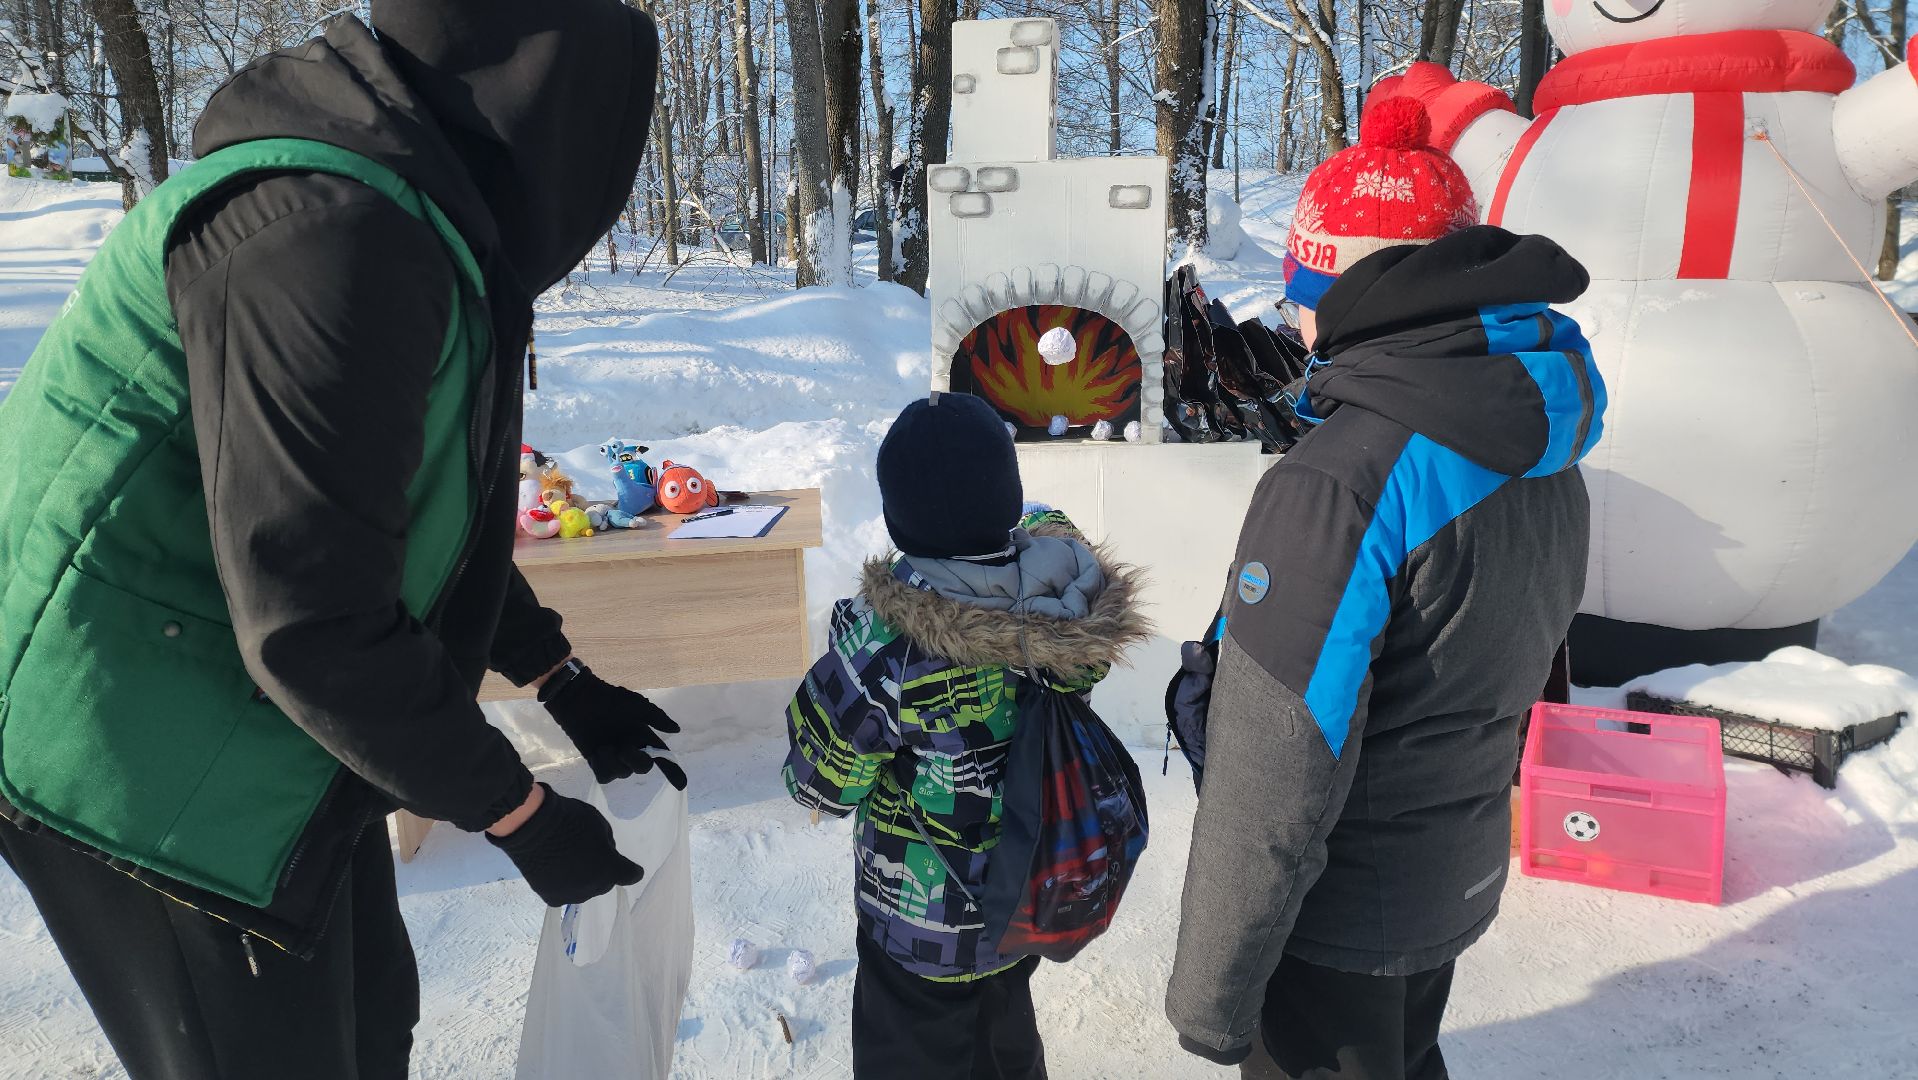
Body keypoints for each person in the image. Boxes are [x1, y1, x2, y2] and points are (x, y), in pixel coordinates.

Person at [0, 3, 682, 1077]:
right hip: (133, 734)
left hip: (264, 695)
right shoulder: (323, 234)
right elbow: (314, 615)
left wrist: (554, 673)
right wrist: (518, 811)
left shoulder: (417, 213)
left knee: (372, 1021)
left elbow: (404, 517)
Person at [1163, 97, 1607, 1080]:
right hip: (1446, 868)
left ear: (1349, 292)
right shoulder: (1537, 427)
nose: (1290, 318)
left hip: (1336, 909)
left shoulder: (1343, 479)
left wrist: (1213, 991)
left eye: (1300, 292)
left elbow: (1273, 763)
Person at [782, 393, 1148, 1080]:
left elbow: (820, 777)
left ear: (898, 518)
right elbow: (1048, 525)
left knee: (913, 1057)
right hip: (1030, 893)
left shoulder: (888, 641)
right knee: (1006, 1038)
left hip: (923, 927)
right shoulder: (1066, 594)